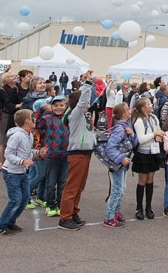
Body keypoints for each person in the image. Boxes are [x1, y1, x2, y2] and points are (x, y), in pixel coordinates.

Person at [0, 109, 41, 236]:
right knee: (15, 200)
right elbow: (8, 154)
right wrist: (22, 162)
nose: (35, 120)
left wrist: (39, 153)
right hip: (11, 172)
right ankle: (0, 226)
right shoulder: (17, 136)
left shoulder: (29, 134)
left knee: (25, 198)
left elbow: (27, 152)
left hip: (21, 172)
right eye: (33, 118)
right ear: (27, 121)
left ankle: (10, 222)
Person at [60, 75, 96, 230]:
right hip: (77, 153)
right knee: (72, 186)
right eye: (86, 101)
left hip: (86, 152)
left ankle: (74, 212)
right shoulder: (75, 115)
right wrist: (87, 84)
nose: (88, 103)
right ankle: (65, 217)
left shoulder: (85, 116)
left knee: (80, 186)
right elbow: (81, 102)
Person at [131, 97, 166, 221]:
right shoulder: (139, 121)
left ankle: (148, 207)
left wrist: (159, 135)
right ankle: (139, 208)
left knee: (150, 180)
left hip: (153, 152)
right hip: (143, 154)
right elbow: (141, 139)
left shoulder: (153, 118)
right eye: (148, 104)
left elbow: (158, 129)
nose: (151, 105)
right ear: (142, 108)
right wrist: (154, 134)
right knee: (142, 181)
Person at [35, 95, 69, 219]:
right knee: (50, 182)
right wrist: (41, 110)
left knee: (63, 182)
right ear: (51, 107)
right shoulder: (47, 118)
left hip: (65, 154)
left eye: (61, 105)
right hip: (52, 155)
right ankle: (50, 205)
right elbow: (37, 125)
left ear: (65, 106)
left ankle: (60, 204)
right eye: (56, 105)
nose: (59, 108)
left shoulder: (68, 118)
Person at [102, 102, 134, 227]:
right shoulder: (120, 129)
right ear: (124, 114)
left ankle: (116, 212)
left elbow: (133, 144)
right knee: (117, 190)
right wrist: (120, 159)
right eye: (128, 109)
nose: (130, 111)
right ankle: (109, 217)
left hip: (123, 164)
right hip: (118, 164)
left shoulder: (126, 127)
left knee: (121, 189)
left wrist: (132, 134)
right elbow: (110, 147)